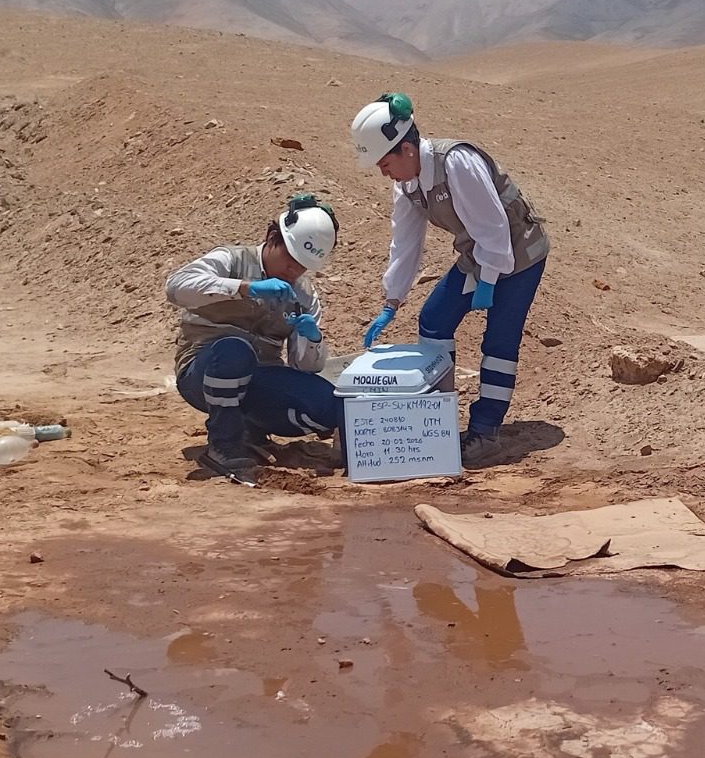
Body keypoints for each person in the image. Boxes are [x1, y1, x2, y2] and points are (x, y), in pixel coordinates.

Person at [351, 92, 549, 469]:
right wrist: (391, 301)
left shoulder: (456, 163)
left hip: (520, 255)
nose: (383, 172)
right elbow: (405, 243)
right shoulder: (408, 184)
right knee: (434, 320)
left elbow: (494, 227)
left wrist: (490, 281)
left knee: (499, 341)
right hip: (479, 256)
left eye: (385, 162)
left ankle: (485, 431)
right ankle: (438, 424)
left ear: (407, 149)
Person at [165, 193, 343, 482]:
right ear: (273, 237)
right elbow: (176, 287)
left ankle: (250, 426)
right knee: (235, 351)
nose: (293, 270)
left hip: (260, 378)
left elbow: (305, 367)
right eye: (290, 258)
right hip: (204, 371)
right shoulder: (231, 260)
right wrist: (246, 288)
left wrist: (311, 337)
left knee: (328, 404)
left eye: (302, 265)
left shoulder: (303, 295)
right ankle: (224, 444)